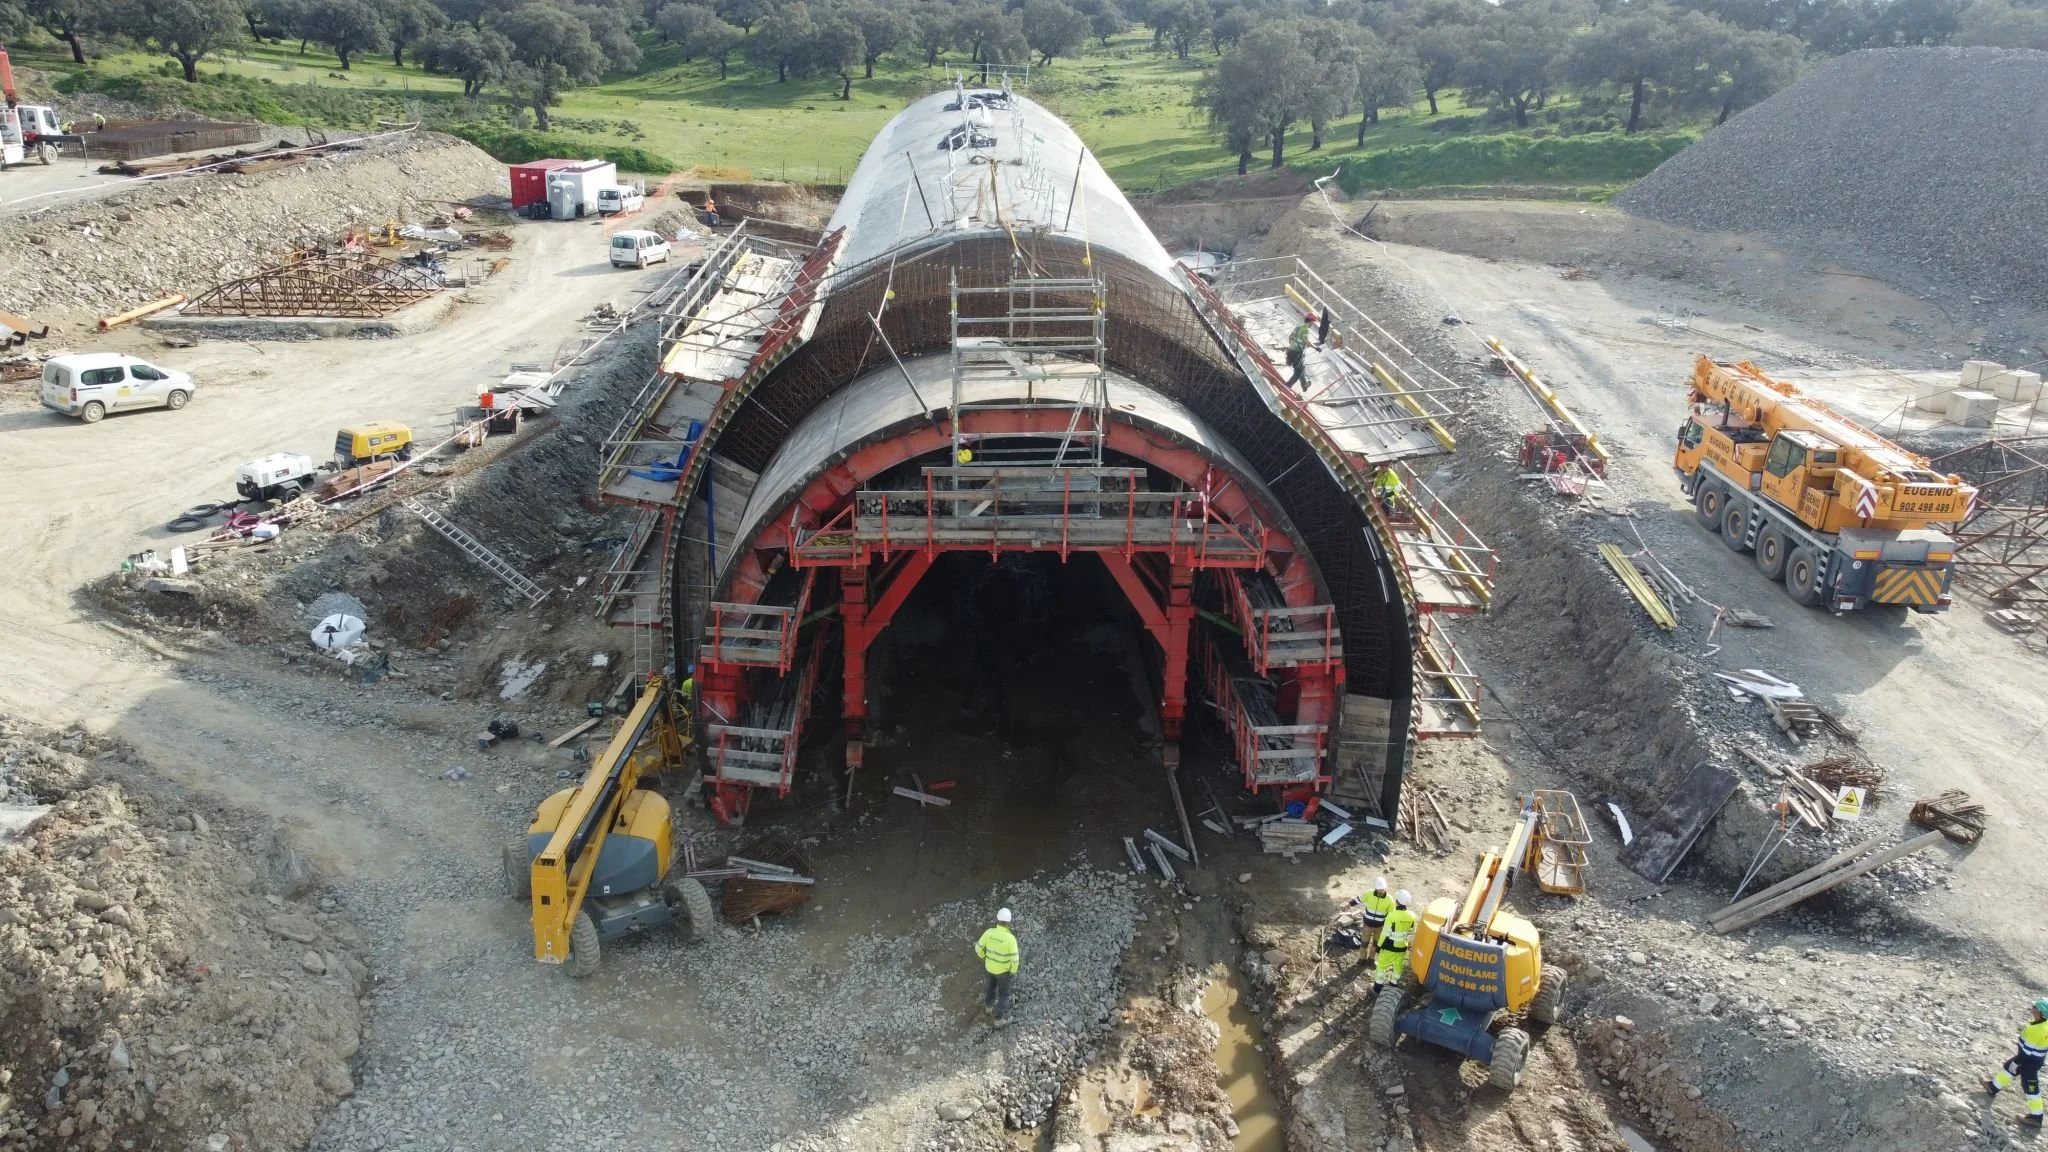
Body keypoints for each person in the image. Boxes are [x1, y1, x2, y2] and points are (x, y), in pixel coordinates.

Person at [1986, 998, 2048, 1126]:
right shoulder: (2041, 1023)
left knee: (2030, 1087)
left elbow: (2026, 1051)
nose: (2032, 1008)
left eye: (2035, 1007)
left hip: (2029, 1062)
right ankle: (1992, 1087)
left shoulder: (2037, 1030)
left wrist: (2018, 1062)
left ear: (2040, 1012)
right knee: (2008, 1068)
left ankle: (2036, 1118)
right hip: (2031, 1059)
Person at [975, 907, 1020, 1020]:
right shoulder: (1010, 939)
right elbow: (1015, 959)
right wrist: (1013, 971)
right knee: (1004, 993)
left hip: (989, 968)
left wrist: (984, 957)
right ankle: (998, 1018)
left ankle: (988, 1009)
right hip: (1003, 972)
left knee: (990, 988)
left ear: (997, 919)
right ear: (1009, 921)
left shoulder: (989, 933)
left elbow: (978, 948)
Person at [1373, 890, 1416, 987]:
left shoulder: (1392, 915)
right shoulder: (1412, 916)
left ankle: (1377, 987)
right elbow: (1412, 932)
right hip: (1402, 947)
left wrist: (1379, 946)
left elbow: (1385, 933)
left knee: (1382, 965)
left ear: (1397, 901)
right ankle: (1393, 984)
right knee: (1398, 966)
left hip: (1389, 946)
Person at [1351, 876, 1396, 961]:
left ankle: (1371, 959)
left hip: (1379, 927)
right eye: (1379, 889)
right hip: (1367, 925)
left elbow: (1391, 914)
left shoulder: (1389, 899)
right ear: (1376, 888)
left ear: (1385, 888)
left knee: (1376, 944)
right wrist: (1349, 904)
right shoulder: (1369, 893)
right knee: (1364, 943)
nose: (1381, 891)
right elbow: (1359, 899)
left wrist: (1391, 926)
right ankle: (1362, 959)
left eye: (1382, 889)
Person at [1285, 317, 1312, 389]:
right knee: (1298, 372)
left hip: (1291, 350)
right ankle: (1288, 385)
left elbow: (1290, 336)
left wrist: (1291, 345)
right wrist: (1315, 347)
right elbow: (1306, 341)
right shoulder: (1306, 329)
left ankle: (1304, 384)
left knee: (1301, 367)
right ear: (1311, 321)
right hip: (1297, 353)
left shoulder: (1299, 326)